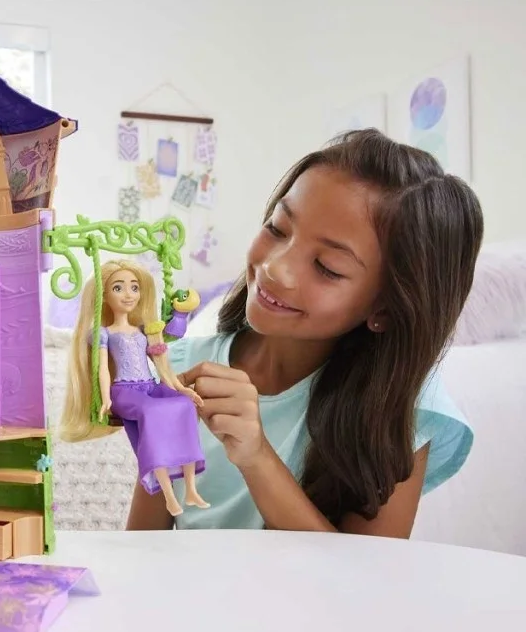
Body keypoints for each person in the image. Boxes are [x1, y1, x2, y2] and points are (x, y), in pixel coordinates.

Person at [127, 128, 484, 536]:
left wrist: (257, 458)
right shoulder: (179, 370)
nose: (275, 267)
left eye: (327, 267)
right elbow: (144, 545)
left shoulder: (399, 408)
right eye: (278, 229)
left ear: (385, 308)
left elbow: (371, 571)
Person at [60, 258, 208, 516]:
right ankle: (168, 496)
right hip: (124, 391)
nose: (128, 294)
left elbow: (162, 363)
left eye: (134, 287)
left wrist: (181, 389)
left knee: (184, 405)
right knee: (152, 412)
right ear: (104, 297)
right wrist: (105, 398)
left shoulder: (143, 330)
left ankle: (191, 489)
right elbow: (102, 369)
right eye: (118, 288)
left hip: (149, 385)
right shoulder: (104, 333)